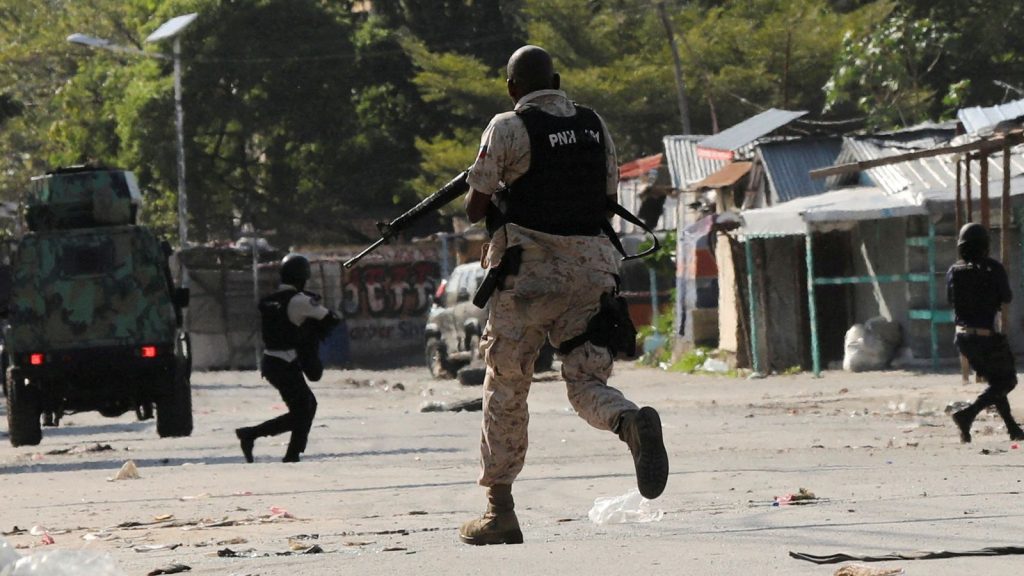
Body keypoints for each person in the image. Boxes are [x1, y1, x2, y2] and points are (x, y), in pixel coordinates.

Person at [459, 45, 669, 545]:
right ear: (556, 81)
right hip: (594, 272)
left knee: (507, 388)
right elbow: (608, 198)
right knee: (585, 380)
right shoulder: (594, 125)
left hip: (528, 278)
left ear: (512, 89)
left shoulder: (506, 127)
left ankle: (499, 512)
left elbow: (474, 208)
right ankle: (628, 421)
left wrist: (500, 188)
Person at [235, 253, 339, 463]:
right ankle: (251, 434)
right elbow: (331, 319)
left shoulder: (272, 300)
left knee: (307, 406)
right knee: (303, 411)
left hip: (271, 362)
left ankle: (292, 453)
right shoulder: (300, 301)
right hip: (285, 363)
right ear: (302, 277)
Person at [948, 223, 1024, 443]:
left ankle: (1012, 429)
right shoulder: (993, 268)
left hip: (963, 337)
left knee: (995, 382)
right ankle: (967, 414)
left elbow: (950, 299)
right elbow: (1007, 297)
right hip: (984, 336)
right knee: (1007, 381)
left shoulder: (954, 270)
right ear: (985, 245)